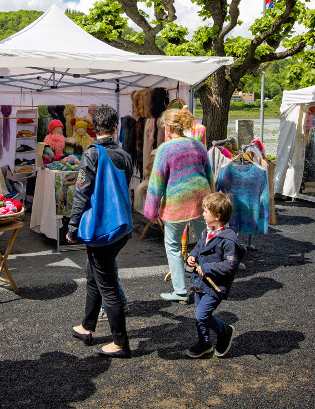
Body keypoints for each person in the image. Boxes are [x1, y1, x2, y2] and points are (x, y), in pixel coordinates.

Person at [67, 105, 134, 358]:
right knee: (94, 275)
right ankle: (86, 326)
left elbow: (81, 193)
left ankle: (120, 342)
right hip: (121, 227)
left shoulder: (92, 154)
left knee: (106, 284)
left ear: (94, 129)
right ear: (115, 126)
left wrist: (73, 225)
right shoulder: (125, 155)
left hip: (100, 229)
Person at [144, 106, 213, 304]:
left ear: (167, 128)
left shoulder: (165, 149)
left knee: (173, 245)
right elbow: (209, 175)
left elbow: (157, 183)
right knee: (205, 242)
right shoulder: (198, 145)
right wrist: (211, 200)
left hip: (177, 203)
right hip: (202, 200)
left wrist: (151, 211)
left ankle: (181, 291)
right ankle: (206, 284)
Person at [185, 192, 243, 358]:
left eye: (206, 211)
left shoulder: (229, 240)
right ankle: (204, 343)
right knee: (199, 316)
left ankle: (224, 332)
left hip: (215, 286)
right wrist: (193, 255)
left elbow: (230, 265)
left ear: (217, 216)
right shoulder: (207, 231)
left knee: (201, 314)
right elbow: (199, 247)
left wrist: (207, 267)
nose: (202, 214)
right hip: (200, 282)